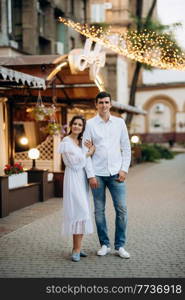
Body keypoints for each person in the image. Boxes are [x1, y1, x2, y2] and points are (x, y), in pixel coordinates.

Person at [83, 91, 131, 258]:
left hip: (116, 173)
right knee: (99, 211)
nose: (103, 105)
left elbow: (126, 147)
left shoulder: (119, 123)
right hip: (97, 173)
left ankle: (120, 246)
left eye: (106, 102)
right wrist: (90, 175)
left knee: (122, 209)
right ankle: (104, 244)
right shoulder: (89, 124)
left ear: (110, 104)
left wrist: (124, 169)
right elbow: (86, 151)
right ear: (96, 105)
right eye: (100, 102)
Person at [58, 115, 95, 262]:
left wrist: (91, 175)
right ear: (70, 125)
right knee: (79, 212)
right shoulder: (66, 142)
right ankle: (76, 249)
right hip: (72, 179)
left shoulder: (81, 143)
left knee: (82, 212)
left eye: (80, 125)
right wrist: (88, 153)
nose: (77, 127)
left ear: (82, 128)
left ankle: (78, 247)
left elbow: (85, 163)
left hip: (81, 179)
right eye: (75, 124)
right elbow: (73, 163)